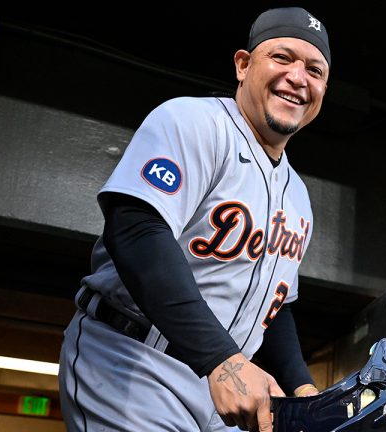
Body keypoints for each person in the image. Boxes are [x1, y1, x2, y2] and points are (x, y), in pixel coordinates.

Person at [58, 6, 330, 431]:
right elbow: (136, 229)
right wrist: (221, 359)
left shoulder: (298, 194)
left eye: (315, 70)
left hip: (228, 381)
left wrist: (303, 390)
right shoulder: (194, 121)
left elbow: (274, 310)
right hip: (135, 361)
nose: (299, 77)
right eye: (282, 57)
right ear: (243, 65)